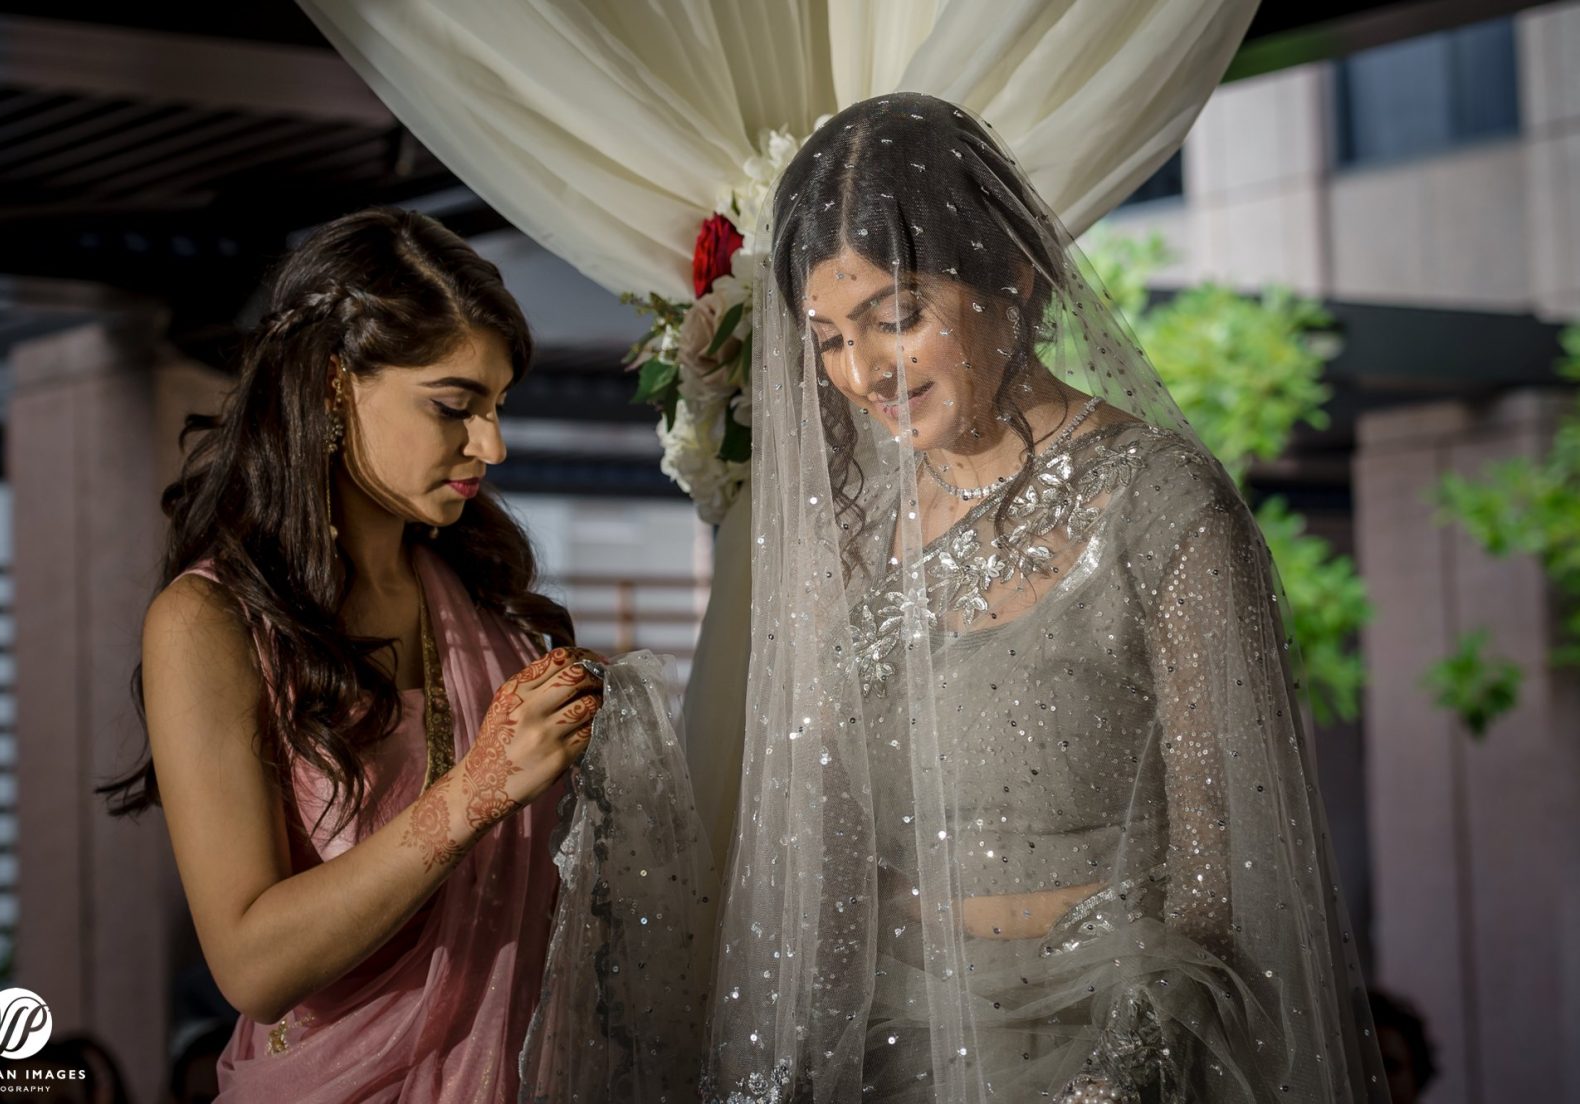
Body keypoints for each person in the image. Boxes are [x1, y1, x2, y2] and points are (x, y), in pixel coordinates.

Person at [701, 94, 1390, 1102]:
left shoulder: (1161, 504)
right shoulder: (852, 525)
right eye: (831, 338)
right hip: (895, 1042)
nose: (863, 373)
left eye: (895, 320)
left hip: (1111, 1043)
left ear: (1011, 281)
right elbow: (823, 843)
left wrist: (1119, 1076)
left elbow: (1223, 856)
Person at [100, 208, 603, 1103]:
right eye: (454, 406)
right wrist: (480, 786)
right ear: (335, 385)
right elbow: (252, 967)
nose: (492, 444)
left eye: (496, 407)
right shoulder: (210, 623)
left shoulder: (490, 613)